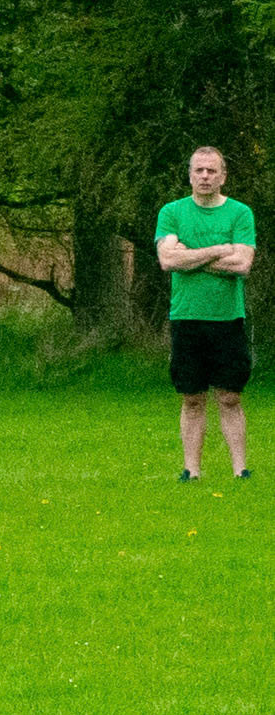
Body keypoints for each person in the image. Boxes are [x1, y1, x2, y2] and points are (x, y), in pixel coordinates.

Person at [156, 146, 257, 480]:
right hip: (186, 318)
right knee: (192, 398)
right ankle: (192, 471)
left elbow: (242, 264)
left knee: (230, 397)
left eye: (211, 171)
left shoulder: (240, 214)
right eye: (198, 170)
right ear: (189, 175)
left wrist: (191, 257)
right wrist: (217, 251)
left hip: (228, 318)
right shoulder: (172, 213)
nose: (204, 176)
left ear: (222, 176)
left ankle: (240, 470)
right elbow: (167, 260)